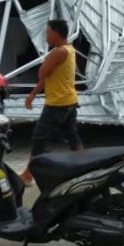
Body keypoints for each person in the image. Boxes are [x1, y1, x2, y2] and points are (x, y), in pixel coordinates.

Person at [20, 20, 83, 185]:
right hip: (70, 102)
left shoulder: (58, 52)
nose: (46, 36)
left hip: (57, 105)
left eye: (48, 32)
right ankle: (85, 168)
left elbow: (42, 73)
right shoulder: (69, 50)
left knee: (38, 139)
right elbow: (48, 77)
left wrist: (47, 59)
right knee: (72, 135)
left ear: (56, 33)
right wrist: (33, 94)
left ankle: (28, 175)